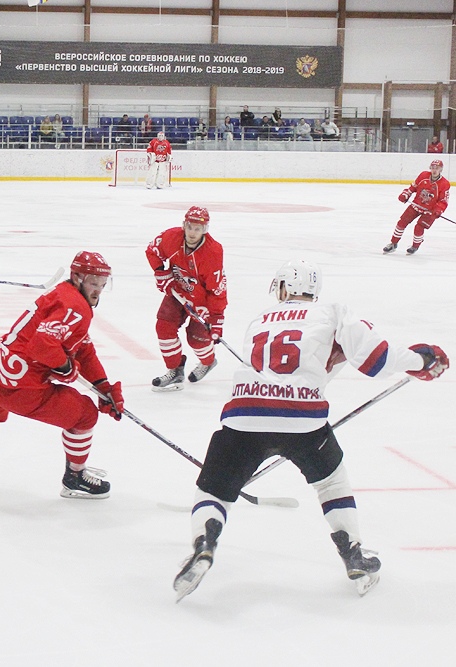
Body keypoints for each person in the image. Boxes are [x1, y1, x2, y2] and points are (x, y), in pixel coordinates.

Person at [172, 260, 448, 601]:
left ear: (284, 287)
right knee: (331, 482)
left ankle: (204, 543)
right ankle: (353, 553)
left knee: (215, 489)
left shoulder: (259, 319)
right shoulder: (331, 313)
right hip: (303, 420)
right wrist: (423, 359)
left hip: (244, 413)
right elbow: (377, 360)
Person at [0, 251, 125, 498]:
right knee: (84, 415)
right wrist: (65, 368)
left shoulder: (63, 292)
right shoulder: (76, 306)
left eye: (103, 285)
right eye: (93, 283)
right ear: (78, 277)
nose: (98, 291)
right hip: (20, 388)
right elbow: (43, 344)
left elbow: (81, 347)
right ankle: (75, 478)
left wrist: (102, 385)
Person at [146, 206, 226, 390]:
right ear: (184, 225)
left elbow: (217, 289)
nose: (192, 232)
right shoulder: (171, 237)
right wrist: (161, 273)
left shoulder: (213, 252)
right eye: (189, 227)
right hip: (177, 291)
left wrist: (216, 318)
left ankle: (208, 361)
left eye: (197, 228)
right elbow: (152, 250)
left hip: (203, 301)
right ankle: (175, 370)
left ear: (205, 229)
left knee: (197, 338)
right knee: (164, 326)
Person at [383, 158, 450, 254]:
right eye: (433, 167)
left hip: (430, 211)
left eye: (437, 168)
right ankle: (393, 243)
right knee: (402, 222)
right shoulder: (423, 175)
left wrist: (439, 210)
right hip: (416, 205)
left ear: (441, 170)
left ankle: (415, 246)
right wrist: (406, 194)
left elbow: (443, 200)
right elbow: (413, 187)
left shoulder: (444, 184)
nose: (434, 170)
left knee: (419, 227)